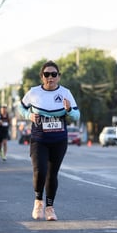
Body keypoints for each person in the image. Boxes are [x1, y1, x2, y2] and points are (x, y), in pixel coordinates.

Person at [19, 60, 80, 221]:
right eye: (47, 74)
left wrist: (68, 110)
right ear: (42, 76)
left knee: (52, 174)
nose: (50, 77)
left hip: (59, 139)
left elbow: (76, 115)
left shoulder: (66, 93)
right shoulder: (33, 92)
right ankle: (38, 201)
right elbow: (21, 108)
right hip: (39, 138)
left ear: (58, 77)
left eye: (54, 74)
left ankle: (50, 208)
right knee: (40, 171)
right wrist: (28, 115)